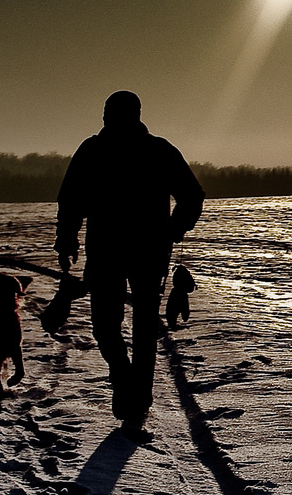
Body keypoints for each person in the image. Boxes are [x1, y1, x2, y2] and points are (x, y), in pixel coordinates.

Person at [55, 90, 204, 435]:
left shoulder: (148, 149)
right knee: (119, 327)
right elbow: (71, 199)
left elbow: (191, 195)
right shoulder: (105, 149)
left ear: (130, 114)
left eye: (114, 112)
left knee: (126, 327)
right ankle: (129, 386)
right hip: (124, 251)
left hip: (134, 250)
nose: (110, 117)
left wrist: (174, 228)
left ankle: (136, 399)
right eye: (109, 112)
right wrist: (66, 238)